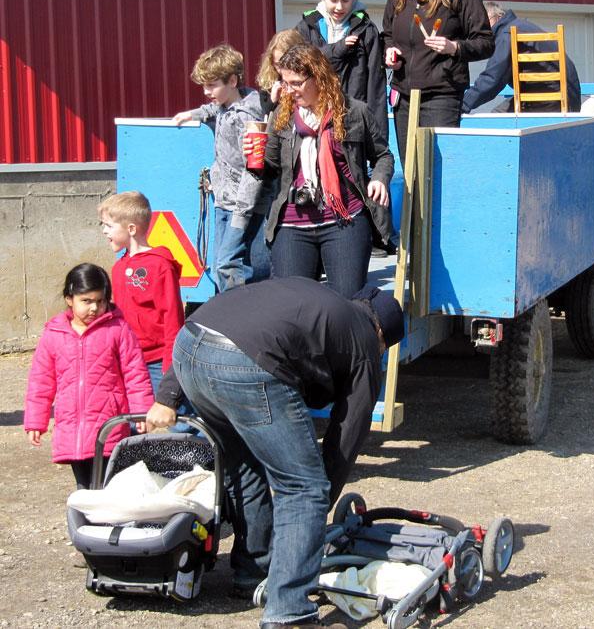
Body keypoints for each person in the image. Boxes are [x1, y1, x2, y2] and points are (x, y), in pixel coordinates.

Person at [144, 277, 404, 627]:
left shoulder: (313, 297)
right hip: (244, 364)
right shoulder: (366, 344)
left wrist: (169, 394)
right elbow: (346, 437)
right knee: (305, 488)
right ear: (383, 337)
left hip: (190, 349)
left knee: (244, 467)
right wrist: (315, 506)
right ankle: (289, 610)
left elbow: (222, 312)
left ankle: (255, 572)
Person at [259, 43, 394, 298]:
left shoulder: (355, 112)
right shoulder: (281, 115)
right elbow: (270, 169)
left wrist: (379, 179)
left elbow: (383, 156)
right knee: (291, 302)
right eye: (285, 83)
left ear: (318, 77)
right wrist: (254, 159)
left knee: (346, 300)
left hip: (344, 220)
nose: (289, 90)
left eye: (296, 83)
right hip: (292, 222)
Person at [23, 264, 154, 490]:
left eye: (100, 301)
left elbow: (135, 373)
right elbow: (41, 380)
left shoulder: (118, 329)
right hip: (72, 429)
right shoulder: (53, 334)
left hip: (109, 426)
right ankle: (84, 524)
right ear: (69, 299)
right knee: (83, 487)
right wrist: (36, 420)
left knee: (108, 486)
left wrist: (141, 412)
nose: (94, 307)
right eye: (86, 301)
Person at [296, 0, 396, 256]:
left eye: (346, 0)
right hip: (314, 113)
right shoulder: (308, 25)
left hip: (353, 112)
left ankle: (375, 235)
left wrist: (377, 123)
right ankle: (319, 233)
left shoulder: (366, 28)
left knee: (357, 171)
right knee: (315, 167)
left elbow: (376, 81)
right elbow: (300, 63)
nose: (339, 6)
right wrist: (335, 49)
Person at [382, 0, 493, 163]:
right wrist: (389, 51)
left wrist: (454, 47)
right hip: (404, 97)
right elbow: (387, 35)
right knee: (412, 173)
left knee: (438, 172)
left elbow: (485, 42)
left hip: (442, 96)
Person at [173, 43, 270, 292]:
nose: (206, 92)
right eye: (204, 85)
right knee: (220, 263)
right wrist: (192, 114)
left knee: (229, 263)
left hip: (242, 205)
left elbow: (254, 170)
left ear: (233, 80)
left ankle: (236, 315)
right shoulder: (226, 106)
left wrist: (242, 213)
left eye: (212, 85)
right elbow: (212, 109)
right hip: (223, 200)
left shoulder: (246, 118)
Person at [97, 190, 198, 431]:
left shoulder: (159, 265)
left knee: (177, 417)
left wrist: (170, 365)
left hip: (156, 362)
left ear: (131, 228)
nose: (104, 231)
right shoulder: (119, 268)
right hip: (128, 360)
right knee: (131, 421)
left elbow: (172, 318)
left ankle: (197, 461)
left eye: (109, 226)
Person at [462, 1, 582, 114]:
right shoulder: (520, 26)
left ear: (496, 17)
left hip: (546, 100)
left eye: (481, 23)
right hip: (568, 98)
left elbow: (493, 79)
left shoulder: (507, 34)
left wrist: (462, 104)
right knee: (498, 114)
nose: (480, 28)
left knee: (495, 120)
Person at [256, 28, 307, 119]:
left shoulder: (308, 79)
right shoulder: (269, 82)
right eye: (278, 65)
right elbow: (265, 116)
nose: (282, 70)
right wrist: (273, 100)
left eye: (285, 64)